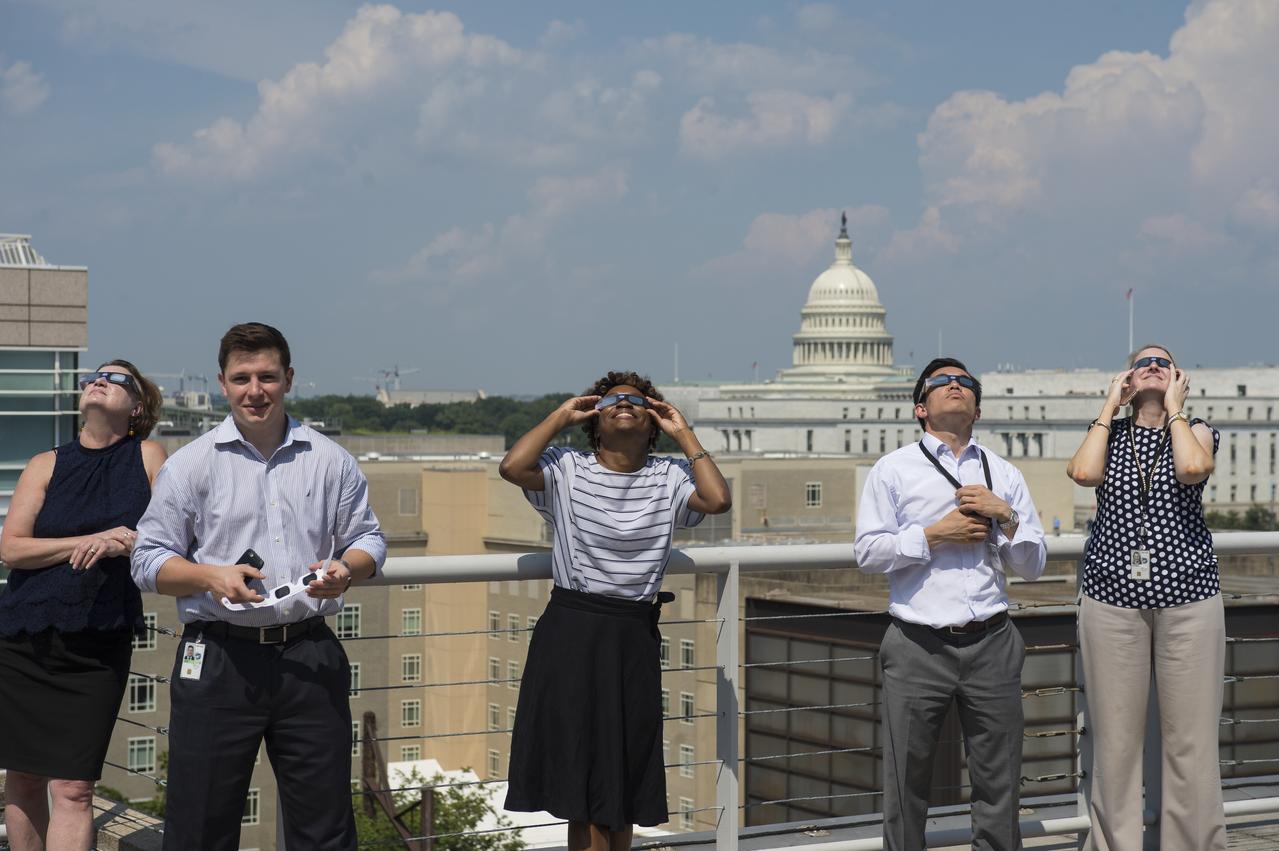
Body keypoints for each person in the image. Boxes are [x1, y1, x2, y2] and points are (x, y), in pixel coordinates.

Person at [130, 323, 386, 851]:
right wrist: (210, 575)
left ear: (288, 379)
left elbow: (368, 539)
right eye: (242, 377)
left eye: (267, 376)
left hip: (309, 656)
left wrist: (347, 569)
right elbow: (147, 560)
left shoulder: (329, 459)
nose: (255, 390)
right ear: (222, 383)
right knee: (200, 825)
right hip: (218, 658)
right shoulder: (189, 466)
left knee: (327, 829)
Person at [499, 370, 731, 851]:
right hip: (572, 628)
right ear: (595, 421)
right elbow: (513, 467)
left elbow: (717, 499)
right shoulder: (567, 467)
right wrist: (562, 414)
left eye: (636, 401)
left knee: (621, 778)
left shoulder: (669, 475)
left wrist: (682, 430)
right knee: (577, 781)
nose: (623, 403)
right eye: (611, 400)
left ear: (652, 421)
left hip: (632, 633)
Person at [854, 357, 1047, 851]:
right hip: (918, 644)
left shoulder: (1002, 472)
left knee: (999, 781)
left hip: (992, 640)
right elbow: (868, 552)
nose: (955, 386)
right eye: (942, 382)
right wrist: (933, 536)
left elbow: (1032, 565)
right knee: (906, 783)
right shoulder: (893, 470)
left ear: (977, 408)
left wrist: (1006, 517)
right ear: (921, 407)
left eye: (965, 382)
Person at [0, 360, 167, 851]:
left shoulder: (151, 456)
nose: (100, 380)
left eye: (117, 379)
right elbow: (10, 549)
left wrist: (128, 542)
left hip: (99, 642)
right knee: (24, 777)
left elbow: (172, 536)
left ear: (136, 407)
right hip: (23, 638)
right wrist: (91, 540)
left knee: (74, 787)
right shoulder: (44, 463)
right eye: (95, 375)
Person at [1066, 344, 1224, 851]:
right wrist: (1109, 407)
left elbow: (1193, 469)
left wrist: (1173, 409)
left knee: (1190, 742)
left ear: (1179, 376)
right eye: (1142, 362)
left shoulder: (1197, 428)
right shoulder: (1107, 435)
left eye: (1163, 361)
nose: (1152, 366)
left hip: (1188, 596)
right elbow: (1084, 474)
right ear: (1127, 378)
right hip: (1112, 596)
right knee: (1114, 741)